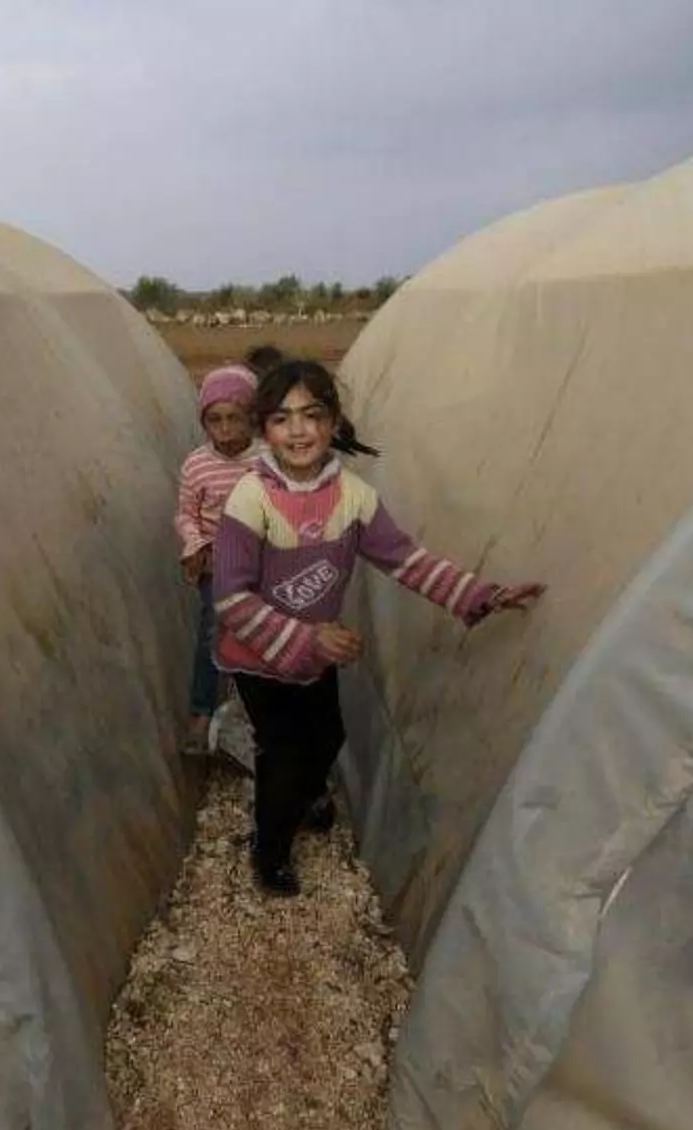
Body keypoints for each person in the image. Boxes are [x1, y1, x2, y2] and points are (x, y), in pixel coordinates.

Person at [211, 360, 545, 896]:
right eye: (281, 418)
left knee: (328, 735)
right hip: (258, 656)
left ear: (334, 422)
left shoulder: (354, 497)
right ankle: (269, 850)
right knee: (283, 753)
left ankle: (309, 794)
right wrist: (307, 637)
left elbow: (405, 560)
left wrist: (483, 595)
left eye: (311, 415)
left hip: (315, 654)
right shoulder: (249, 499)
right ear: (264, 431)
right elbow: (230, 599)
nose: (297, 431)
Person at [175, 364, 263, 756]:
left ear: (252, 419)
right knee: (214, 631)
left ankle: (257, 718)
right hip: (216, 562)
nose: (225, 430)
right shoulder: (197, 464)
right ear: (204, 422)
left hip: (263, 562)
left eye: (234, 419)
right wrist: (194, 545)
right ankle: (202, 713)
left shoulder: (267, 460)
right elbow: (186, 514)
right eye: (215, 420)